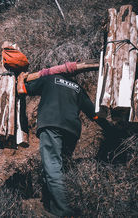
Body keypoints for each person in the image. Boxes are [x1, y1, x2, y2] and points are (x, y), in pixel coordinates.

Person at [19, 73, 107, 217]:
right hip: (72, 130)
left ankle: (64, 211)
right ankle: (56, 206)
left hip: (51, 124)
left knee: (53, 167)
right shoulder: (77, 88)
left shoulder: (49, 78)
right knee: (61, 168)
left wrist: (21, 78)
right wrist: (112, 130)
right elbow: (94, 115)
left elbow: (22, 89)